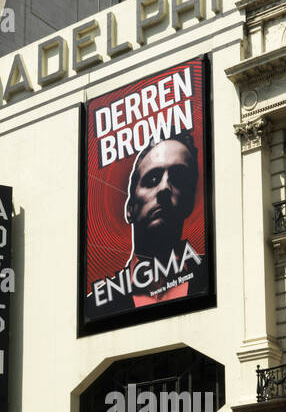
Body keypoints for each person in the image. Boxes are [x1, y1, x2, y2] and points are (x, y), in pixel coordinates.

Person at [85, 132, 207, 320]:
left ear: (189, 201)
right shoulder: (95, 307)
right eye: (152, 179)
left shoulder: (210, 274)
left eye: (179, 178)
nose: (165, 188)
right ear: (130, 209)